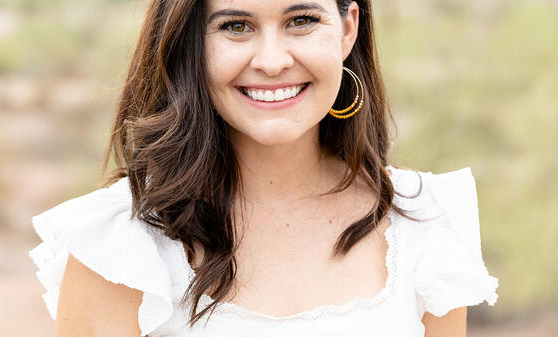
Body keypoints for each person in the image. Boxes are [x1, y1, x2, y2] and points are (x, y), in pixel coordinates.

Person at [28, 0, 499, 336]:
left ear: (347, 28)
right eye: (236, 26)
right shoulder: (119, 245)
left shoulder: (425, 222)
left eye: (301, 20)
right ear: (193, 42)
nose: (273, 61)